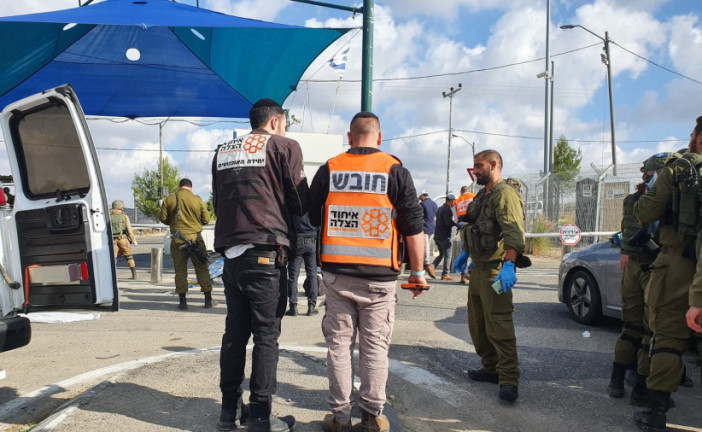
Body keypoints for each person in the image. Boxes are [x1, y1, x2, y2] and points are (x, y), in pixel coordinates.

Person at [308, 112, 426, 432]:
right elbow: (414, 228)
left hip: (335, 274)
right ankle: (372, 417)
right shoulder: (394, 170)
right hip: (379, 279)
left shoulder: (330, 169)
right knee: (374, 348)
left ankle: (340, 418)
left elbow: (310, 217)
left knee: (339, 347)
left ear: (350, 137)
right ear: (379, 136)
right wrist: (417, 272)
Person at [212, 98, 308, 432]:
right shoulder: (284, 146)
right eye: (284, 123)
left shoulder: (223, 150)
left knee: (234, 334)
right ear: (275, 121)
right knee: (266, 336)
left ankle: (228, 413)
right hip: (266, 253)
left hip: (231, 255)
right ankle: (261, 417)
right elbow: (299, 202)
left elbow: (217, 199)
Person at [633, 116, 702, 431]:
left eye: (692, 134)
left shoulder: (680, 169)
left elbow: (645, 212)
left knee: (667, 338)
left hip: (680, 265)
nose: (689, 139)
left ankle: (656, 413)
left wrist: (650, 191)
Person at [607, 153, 670, 404]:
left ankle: (617, 379)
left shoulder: (633, 200)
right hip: (653, 269)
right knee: (650, 330)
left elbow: (628, 234)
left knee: (630, 327)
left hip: (634, 267)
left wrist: (625, 252)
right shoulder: (664, 202)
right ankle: (641, 386)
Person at [463, 150, 525, 403]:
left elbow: (514, 232)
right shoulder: (483, 194)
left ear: (494, 164)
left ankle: (509, 378)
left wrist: (509, 265)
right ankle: (490, 368)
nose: (475, 170)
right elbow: (475, 225)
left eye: (478, 166)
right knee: (478, 325)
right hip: (478, 269)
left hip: (496, 269)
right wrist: (466, 256)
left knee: (499, 324)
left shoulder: (504, 194)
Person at [159, 178, 213, 310]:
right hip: (195, 239)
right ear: (191, 187)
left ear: (179, 187)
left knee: (180, 271)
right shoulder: (197, 199)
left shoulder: (170, 199)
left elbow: (163, 219)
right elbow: (206, 220)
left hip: (178, 240)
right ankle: (208, 300)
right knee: (202, 268)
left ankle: (182, 302)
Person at [285, 213, 319, 317]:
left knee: (293, 276)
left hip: (297, 241)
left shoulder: (294, 203)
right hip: (311, 241)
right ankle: (311, 306)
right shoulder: (313, 203)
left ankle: (293, 306)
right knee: (312, 274)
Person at [110, 200, 138, 280]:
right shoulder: (124, 216)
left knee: (113, 259)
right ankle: (134, 275)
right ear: (121, 207)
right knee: (129, 257)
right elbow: (129, 230)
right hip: (123, 239)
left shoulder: (108, 216)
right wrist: (134, 241)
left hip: (113, 240)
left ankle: (113, 277)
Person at [454, 185, 476, 284]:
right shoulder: (474, 196)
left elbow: (455, 219)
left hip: (462, 227)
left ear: (461, 192)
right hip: (473, 226)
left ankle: (462, 276)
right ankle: (470, 270)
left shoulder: (457, 200)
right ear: (469, 190)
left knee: (464, 252)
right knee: (475, 250)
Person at [433, 194, 458, 280]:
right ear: (451, 201)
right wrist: (455, 224)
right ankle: (445, 274)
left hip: (437, 235)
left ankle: (432, 266)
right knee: (448, 255)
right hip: (445, 236)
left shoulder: (440, 208)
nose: (454, 203)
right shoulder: (448, 210)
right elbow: (447, 222)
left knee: (441, 254)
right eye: (454, 201)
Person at [419, 191, 438, 279]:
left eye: (420, 196)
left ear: (424, 196)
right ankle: (425, 262)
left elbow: (419, 216)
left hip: (424, 227)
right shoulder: (434, 204)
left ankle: (426, 263)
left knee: (424, 246)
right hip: (432, 227)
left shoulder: (422, 204)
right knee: (428, 244)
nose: (419, 198)